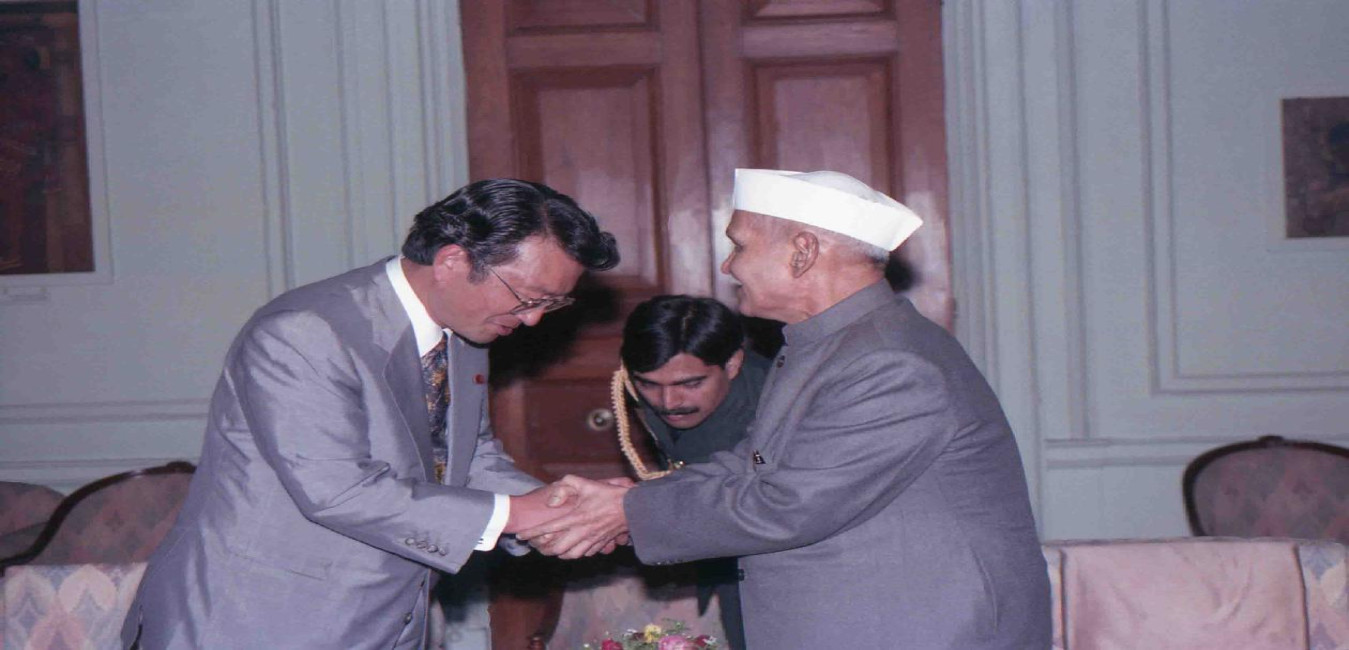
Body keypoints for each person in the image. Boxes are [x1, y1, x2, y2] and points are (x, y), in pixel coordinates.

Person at [521, 169, 1051, 649]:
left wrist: (627, 511)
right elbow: (756, 463)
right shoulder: (832, 344)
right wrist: (629, 497)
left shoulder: (889, 362)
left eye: (739, 246)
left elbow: (788, 504)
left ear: (802, 251)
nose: (728, 266)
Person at [121, 179, 620, 648]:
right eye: (528, 298)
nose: (533, 319)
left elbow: (466, 459)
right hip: (255, 621)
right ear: (451, 261)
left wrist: (559, 509)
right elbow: (339, 491)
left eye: (552, 304)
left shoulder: (466, 334)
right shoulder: (305, 331)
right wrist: (519, 514)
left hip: (383, 620)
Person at [619, 295, 770, 650]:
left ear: (733, 364)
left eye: (690, 384)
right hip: (725, 561)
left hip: (780, 570)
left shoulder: (772, 404)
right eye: (648, 384)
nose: (668, 403)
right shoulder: (652, 389)